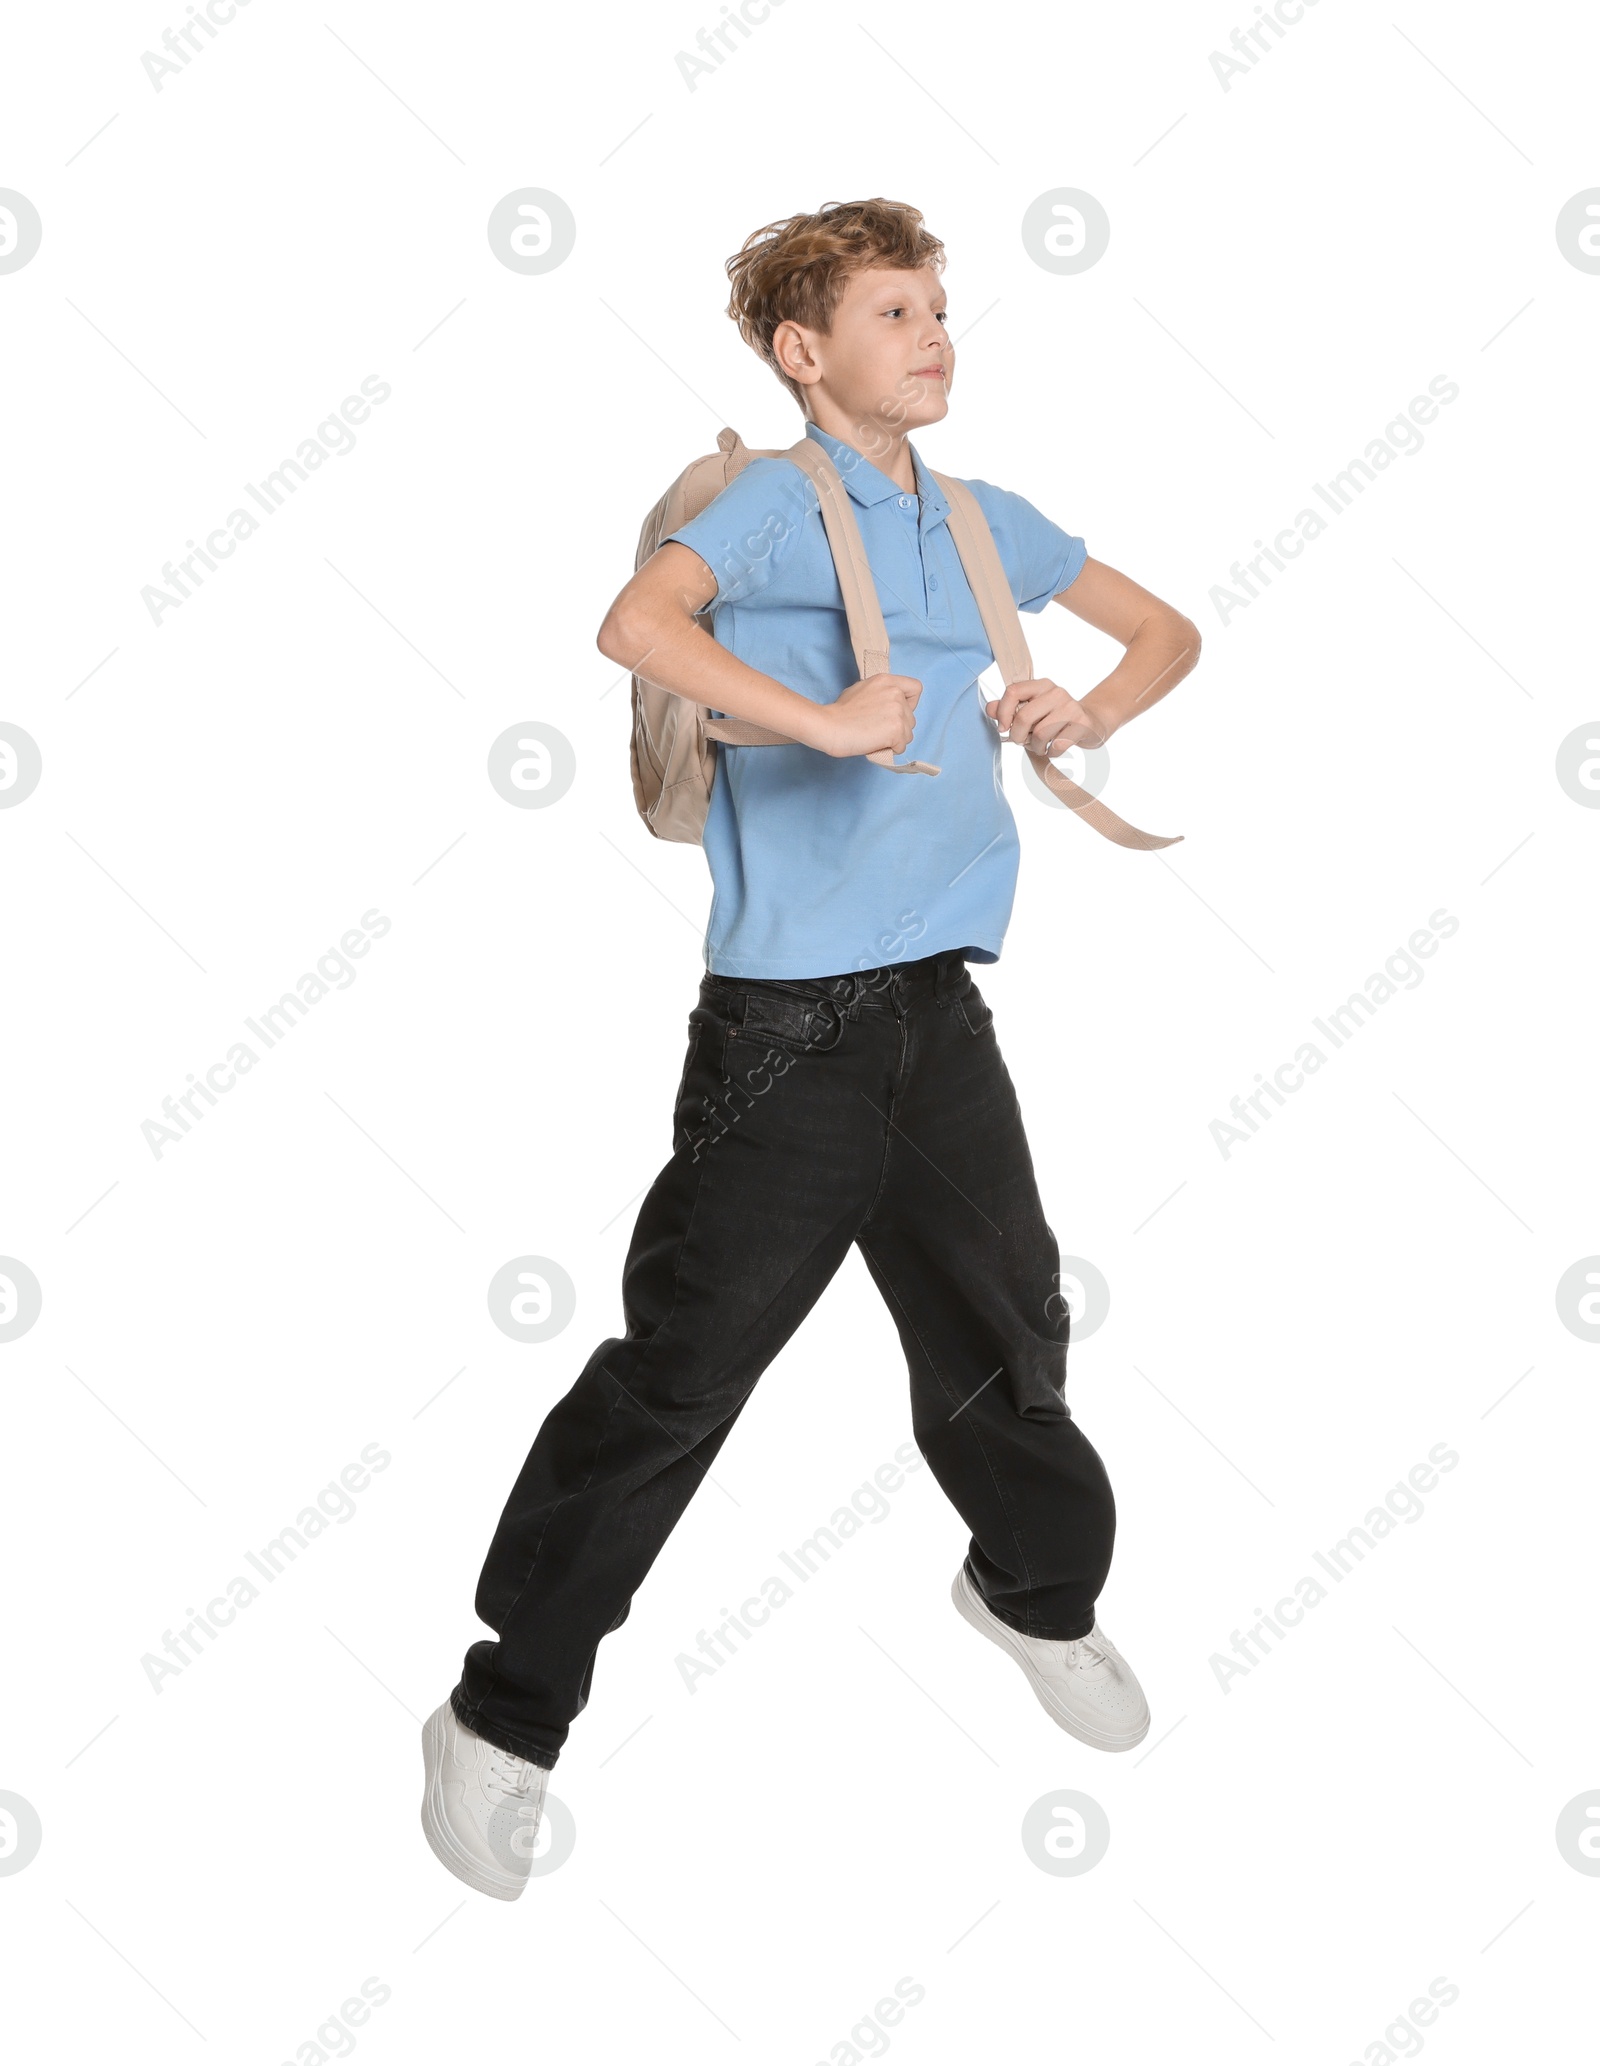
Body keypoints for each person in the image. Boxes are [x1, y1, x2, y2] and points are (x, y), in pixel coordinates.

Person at [420, 197, 1201, 1900]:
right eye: (894, 310)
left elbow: (1167, 631)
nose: (934, 332)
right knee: (684, 1377)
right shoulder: (775, 503)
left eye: (940, 306)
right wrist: (822, 715)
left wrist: (1091, 709)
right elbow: (637, 626)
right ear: (804, 351)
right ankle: (502, 1711)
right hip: (787, 1036)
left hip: (939, 1009)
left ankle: (1028, 1594)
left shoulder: (985, 523)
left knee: (1012, 1326)